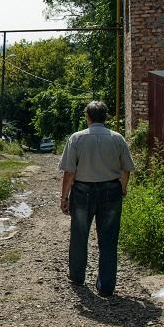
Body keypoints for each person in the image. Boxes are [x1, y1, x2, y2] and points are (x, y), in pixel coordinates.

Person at [58, 100, 134, 297]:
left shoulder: (77, 138)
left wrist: (64, 197)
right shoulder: (117, 139)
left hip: (83, 191)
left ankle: (77, 276)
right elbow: (126, 169)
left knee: (79, 235)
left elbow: (69, 172)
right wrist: (122, 189)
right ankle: (106, 286)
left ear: (88, 117)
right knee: (109, 239)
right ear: (106, 117)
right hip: (111, 191)